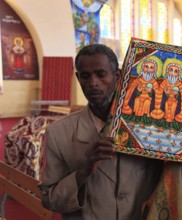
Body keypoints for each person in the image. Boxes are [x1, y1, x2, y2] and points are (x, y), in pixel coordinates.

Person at [39, 44, 163, 220]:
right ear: (78, 78)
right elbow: (50, 199)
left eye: (101, 74)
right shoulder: (58, 134)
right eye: (85, 76)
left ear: (117, 76)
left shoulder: (152, 128)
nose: (93, 83)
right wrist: (84, 170)